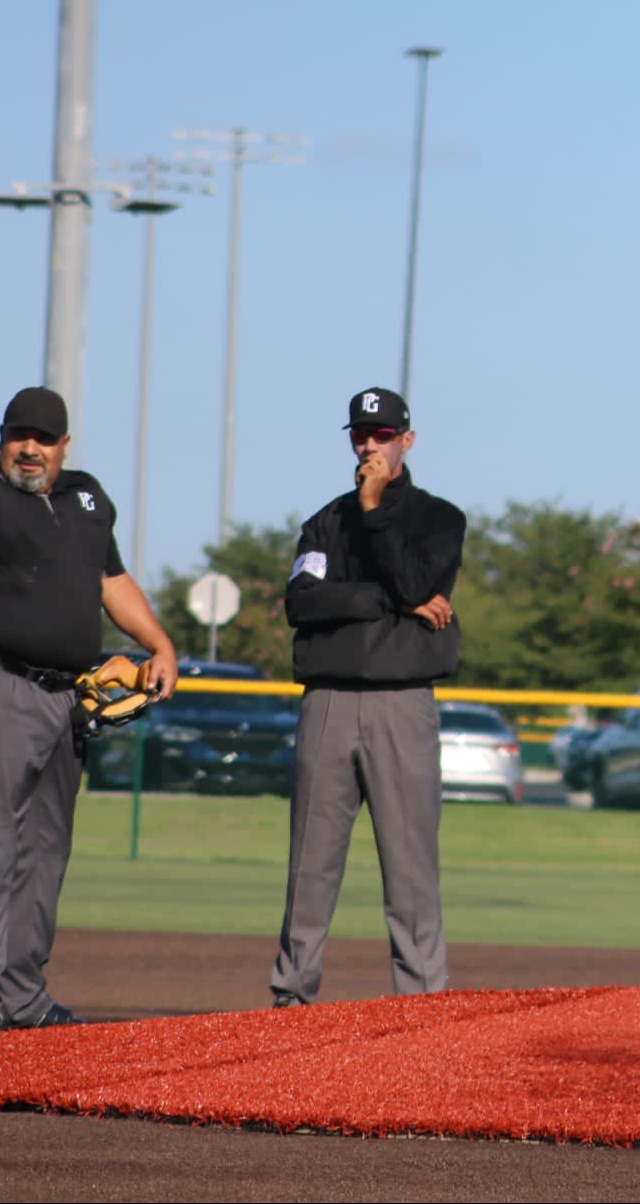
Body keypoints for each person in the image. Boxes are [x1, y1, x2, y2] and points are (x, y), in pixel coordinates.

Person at [0, 386, 178, 1033]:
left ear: (64, 445)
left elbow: (112, 580)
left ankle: (22, 994)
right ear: (1, 437)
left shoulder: (89, 499)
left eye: (44, 438)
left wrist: (159, 643)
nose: (30, 448)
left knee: (45, 851)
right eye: (18, 435)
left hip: (67, 699)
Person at [269, 387, 467, 1007]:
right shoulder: (325, 521)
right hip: (328, 700)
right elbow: (302, 603)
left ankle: (422, 1003)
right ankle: (291, 998)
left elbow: (418, 580)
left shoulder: (439, 518)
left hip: (401, 702)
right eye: (361, 434)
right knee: (311, 864)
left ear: (407, 440)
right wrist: (389, 601)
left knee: (410, 868)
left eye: (382, 435)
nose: (370, 445)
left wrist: (375, 509)